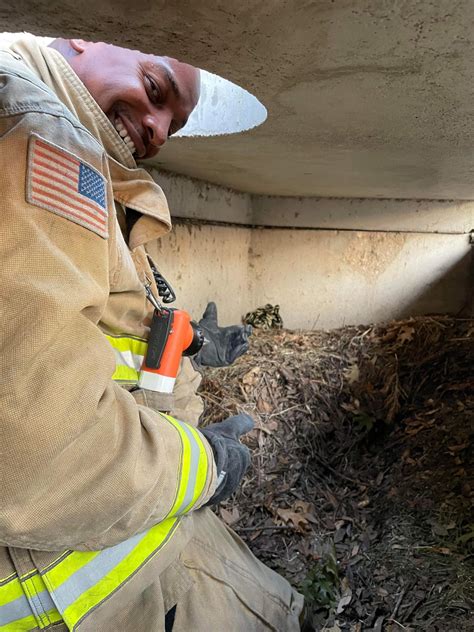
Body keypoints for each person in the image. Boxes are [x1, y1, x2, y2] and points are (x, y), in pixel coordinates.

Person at [0, 35, 304, 631]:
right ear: (84, 36)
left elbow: (104, 318)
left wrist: (188, 340)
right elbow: (41, 456)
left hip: (139, 516)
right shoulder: (41, 137)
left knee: (274, 606)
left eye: (174, 122)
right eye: (155, 87)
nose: (160, 131)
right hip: (69, 582)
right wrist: (205, 466)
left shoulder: (87, 160)